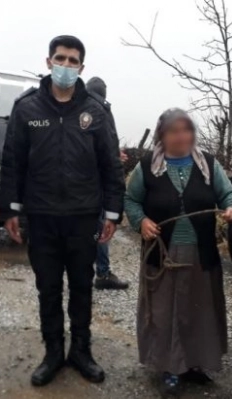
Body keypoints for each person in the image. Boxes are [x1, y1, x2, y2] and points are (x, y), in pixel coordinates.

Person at [0, 35, 125, 387]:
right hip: (41, 219)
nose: (66, 66)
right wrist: (10, 210)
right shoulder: (27, 108)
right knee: (48, 289)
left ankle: (81, 351)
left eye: (73, 61)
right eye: (60, 58)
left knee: (82, 287)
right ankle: (53, 352)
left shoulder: (95, 112)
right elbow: (12, 163)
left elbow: (110, 166)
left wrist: (113, 213)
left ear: (82, 67)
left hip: (83, 217)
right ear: (48, 61)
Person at [124, 108, 232, 395]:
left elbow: (230, 194)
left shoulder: (208, 165)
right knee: (165, 312)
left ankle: (195, 364)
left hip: (201, 253)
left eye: (186, 130)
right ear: (162, 134)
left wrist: (231, 207)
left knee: (199, 311)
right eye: (174, 131)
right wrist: (142, 221)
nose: (181, 136)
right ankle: (169, 367)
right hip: (162, 254)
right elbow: (131, 199)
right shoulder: (148, 166)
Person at [85, 76, 129, 290]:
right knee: (101, 227)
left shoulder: (76, 108)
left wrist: (113, 153)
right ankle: (102, 274)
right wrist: (113, 157)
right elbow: (106, 142)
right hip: (99, 183)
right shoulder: (102, 109)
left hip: (80, 185)